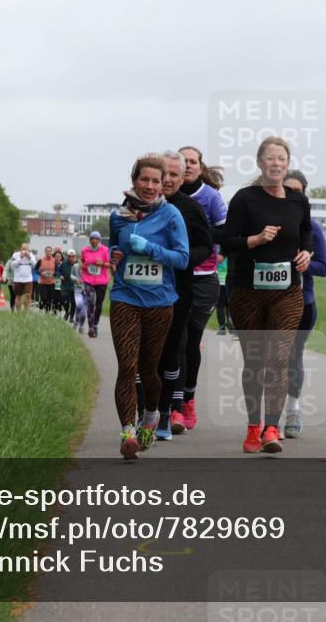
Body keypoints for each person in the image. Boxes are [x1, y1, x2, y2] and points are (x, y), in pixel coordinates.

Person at [219, 137, 311, 454]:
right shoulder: (245, 199)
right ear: (259, 162)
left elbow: (307, 232)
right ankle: (253, 426)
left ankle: (272, 428)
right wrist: (255, 240)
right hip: (247, 292)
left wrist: (307, 253)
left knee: (278, 358)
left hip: (287, 292)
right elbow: (227, 241)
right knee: (255, 361)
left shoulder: (298, 200)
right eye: (270, 158)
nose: (276, 163)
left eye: (281, 158)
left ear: (287, 164)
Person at [109, 153, 189, 459]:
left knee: (148, 369)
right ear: (134, 181)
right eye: (145, 179)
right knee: (127, 367)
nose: (151, 185)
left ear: (163, 185)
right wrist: (115, 253)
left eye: (157, 181)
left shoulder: (171, 216)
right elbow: (114, 245)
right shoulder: (119, 215)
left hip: (159, 301)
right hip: (125, 297)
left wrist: (152, 250)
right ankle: (128, 432)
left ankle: (152, 415)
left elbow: (181, 259)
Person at [143, 150, 212, 440]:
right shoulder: (138, 204)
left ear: (183, 177)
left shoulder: (190, 209)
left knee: (172, 354)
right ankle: (144, 413)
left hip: (177, 292)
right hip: (142, 292)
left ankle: (169, 411)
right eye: (165, 174)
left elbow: (205, 247)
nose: (168, 180)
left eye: (174, 174)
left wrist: (178, 257)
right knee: (145, 357)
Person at [178, 146, 228, 429]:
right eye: (182, 161)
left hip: (203, 276)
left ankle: (187, 400)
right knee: (176, 341)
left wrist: (215, 251)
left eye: (192, 162)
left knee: (188, 340)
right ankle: (172, 404)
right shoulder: (167, 195)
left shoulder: (210, 196)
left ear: (200, 166)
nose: (187, 166)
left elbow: (225, 230)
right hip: (172, 276)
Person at [279, 170, 326, 439]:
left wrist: (307, 264)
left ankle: (294, 409)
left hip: (302, 301)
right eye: (286, 190)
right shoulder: (268, 223)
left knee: (292, 356)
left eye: (296, 191)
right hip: (269, 299)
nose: (291, 195)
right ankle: (267, 417)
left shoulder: (314, 228)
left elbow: (324, 267)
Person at [81, 232, 112, 337]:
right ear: (90, 240)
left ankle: (95, 324)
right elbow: (81, 263)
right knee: (90, 302)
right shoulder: (85, 250)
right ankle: (90, 327)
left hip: (101, 281)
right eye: (92, 238)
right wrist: (85, 266)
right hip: (88, 280)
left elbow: (110, 265)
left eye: (96, 239)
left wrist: (102, 264)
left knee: (98, 304)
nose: (94, 240)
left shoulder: (105, 250)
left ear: (99, 240)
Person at [9, 243, 36, 311]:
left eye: (26, 249)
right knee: (18, 296)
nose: (24, 250)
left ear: (28, 249)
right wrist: (20, 258)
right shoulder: (15, 255)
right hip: (18, 279)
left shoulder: (31, 255)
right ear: (20, 249)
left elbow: (35, 265)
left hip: (28, 279)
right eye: (23, 249)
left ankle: (26, 311)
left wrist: (29, 257)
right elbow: (12, 265)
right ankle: (18, 312)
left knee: (28, 295)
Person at [215, 255, 234, 334]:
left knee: (220, 304)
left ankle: (222, 327)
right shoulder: (229, 245)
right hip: (230, 276)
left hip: (219, 277)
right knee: (230, 302)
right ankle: (231, 326)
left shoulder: (216, 246)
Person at [36, 246, 57, 312]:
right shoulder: (41, 260)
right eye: (47, 251)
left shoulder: (54, 261)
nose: (48, 252)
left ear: (52, 252)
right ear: (45, 252)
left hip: (51, 282)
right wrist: (41, 273)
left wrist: (53, 273)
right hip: (42, 282)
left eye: (50, 251)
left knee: (49, 299)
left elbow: (58, 271)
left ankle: (47, 312)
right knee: (43, 298)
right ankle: (41, 309)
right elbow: (35, 269)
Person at [60, 249, 78, 322]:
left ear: (75, 257)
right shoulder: (63, 263)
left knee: (74, 302)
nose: (71, 258)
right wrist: (60, 275)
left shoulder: (77, 264)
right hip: (65, 285)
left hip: (75, 287)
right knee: (64, 300)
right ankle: (67, 312)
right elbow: (58, 271)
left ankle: (71, 317)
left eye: (72, 256)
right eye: (69, 256)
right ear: (67, 257)